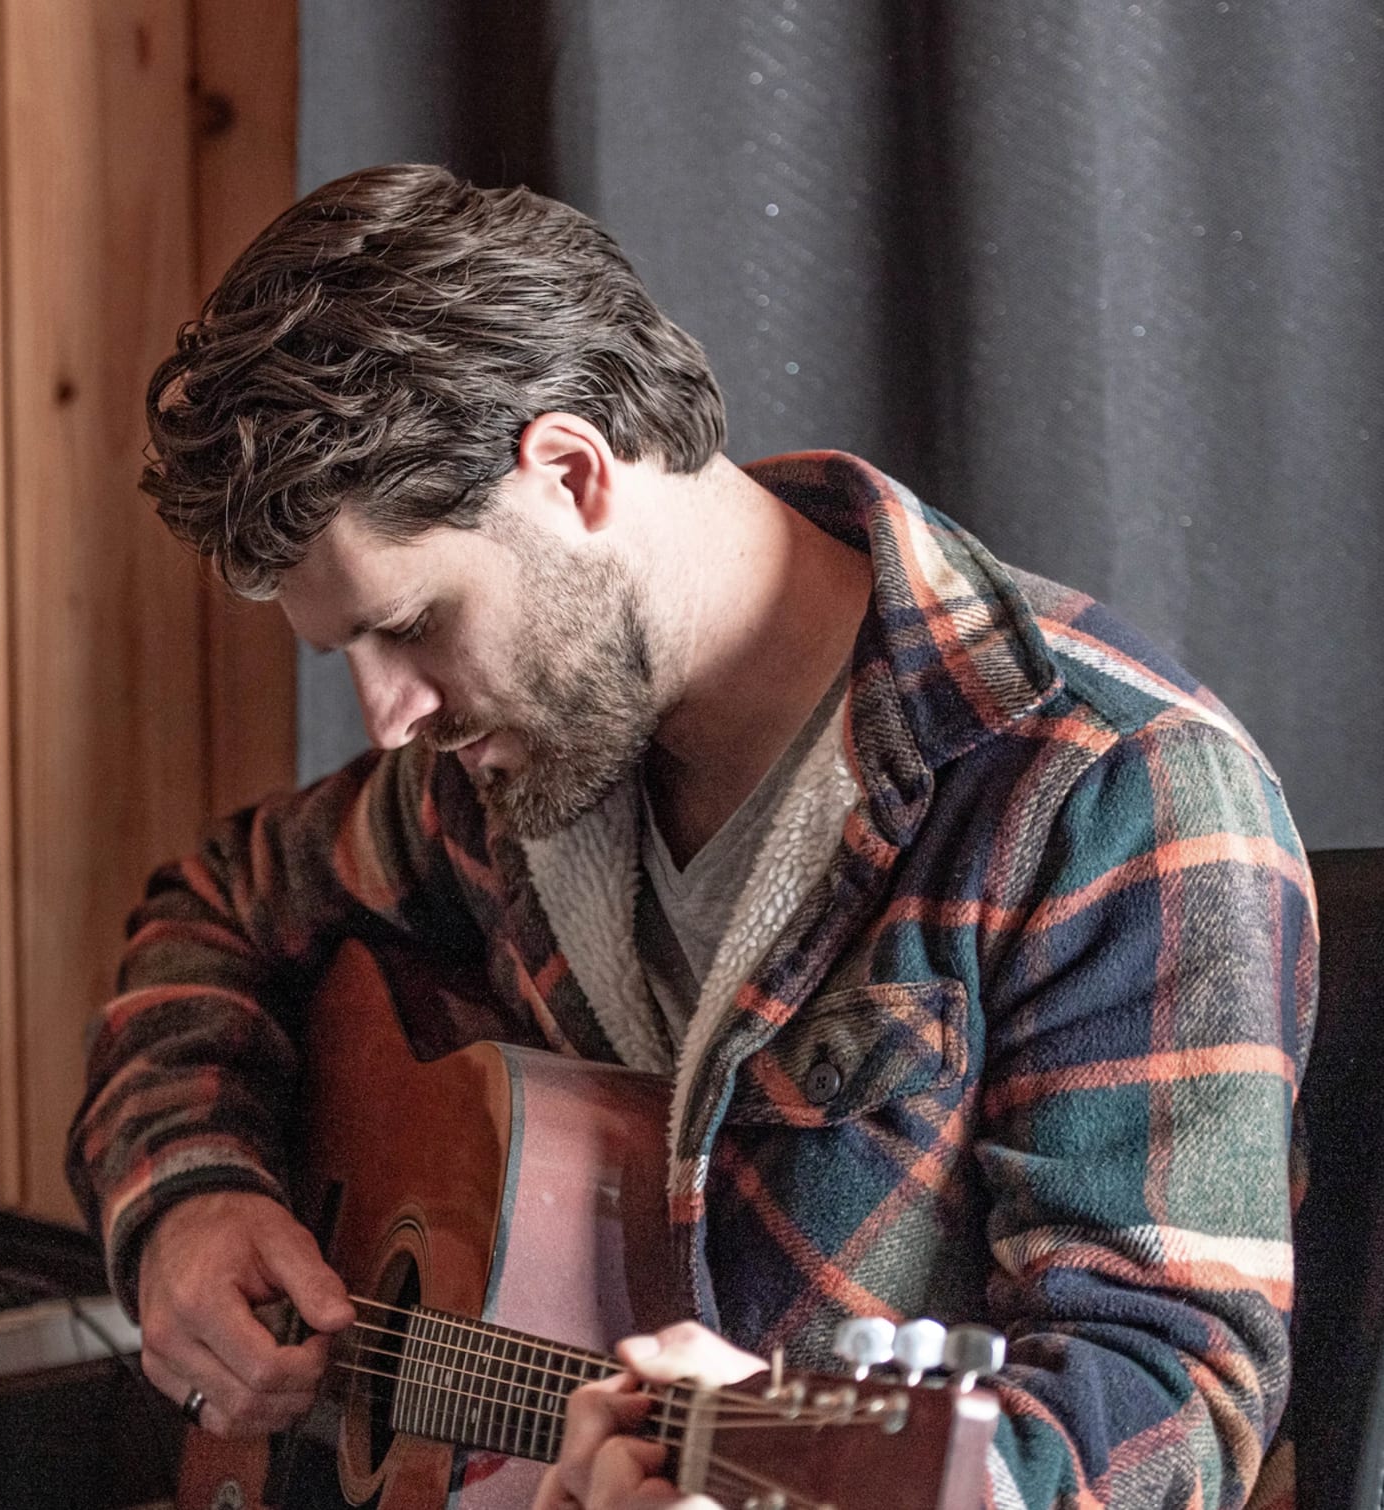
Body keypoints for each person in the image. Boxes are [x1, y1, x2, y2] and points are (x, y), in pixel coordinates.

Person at [66, 163, 1315, 1509]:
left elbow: (1170, 1395)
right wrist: (188, 1196)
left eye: (413, 624)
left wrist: (803, 1469)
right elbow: (213, 908)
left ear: (571, 472)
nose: (389, 716)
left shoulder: (1105, 788)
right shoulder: (516, 765)